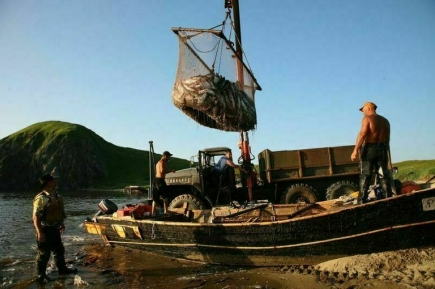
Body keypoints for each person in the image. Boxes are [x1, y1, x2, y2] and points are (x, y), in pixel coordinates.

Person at [33, 174, 77, 284]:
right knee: (44, 254)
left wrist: (61, 223)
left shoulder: (55, 196)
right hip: (45, 229)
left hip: (55, 228)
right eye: (53, 181)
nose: (55, 182)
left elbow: (58, 212)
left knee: (59, 250)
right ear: (47, 183)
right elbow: (35, 217)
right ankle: (41, 276)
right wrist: (40, 232)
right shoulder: (41, 198)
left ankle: (62, 270)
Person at [351, 102, 393, 204]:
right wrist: (388, 157)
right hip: (383, 148)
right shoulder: (385, 121)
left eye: (363, 110)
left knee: (365, 174)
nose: (363, 113)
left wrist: (355, 150)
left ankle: (361, 200)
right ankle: (388, 198)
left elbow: (363, 134)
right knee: (383, 174)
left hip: (370, 148)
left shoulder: (367, 119)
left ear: (369, 108)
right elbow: (387, 140)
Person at [152, 151, 176, 216]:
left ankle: (153, 212)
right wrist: (171, 171)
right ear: (165, 156)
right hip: (160, 180)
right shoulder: (162, 162)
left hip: (156, 180)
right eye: (168, 156)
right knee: (166, 196)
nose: (169, 158)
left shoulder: (157, 163)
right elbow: (162, 171)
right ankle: (166, 211)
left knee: (155, 198)